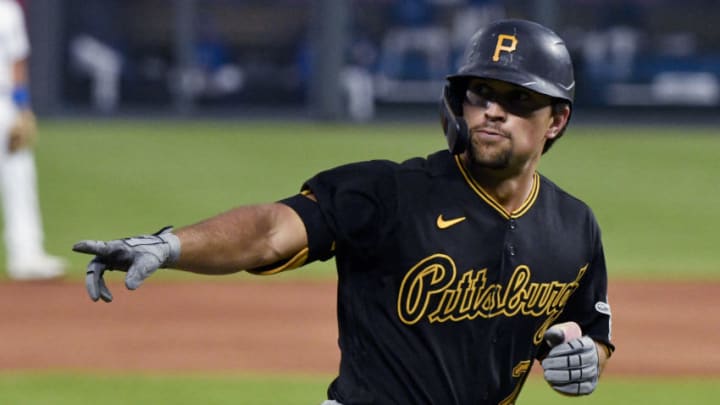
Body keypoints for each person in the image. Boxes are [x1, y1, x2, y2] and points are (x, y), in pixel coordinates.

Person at [74, 19, 614, 404]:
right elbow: (268, 232)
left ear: (557, 120)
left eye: (517, 98)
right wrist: (170, 245)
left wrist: (587, 359)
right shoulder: (389, 192)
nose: (493, 109)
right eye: (480, 92)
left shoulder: (574, 226)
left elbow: (591, 332)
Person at [0, 0, 66, 280]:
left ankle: (26, 255)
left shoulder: (8, 9)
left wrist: (22, 106)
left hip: (3, 103)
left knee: (19, 176)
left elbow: (17, 60)